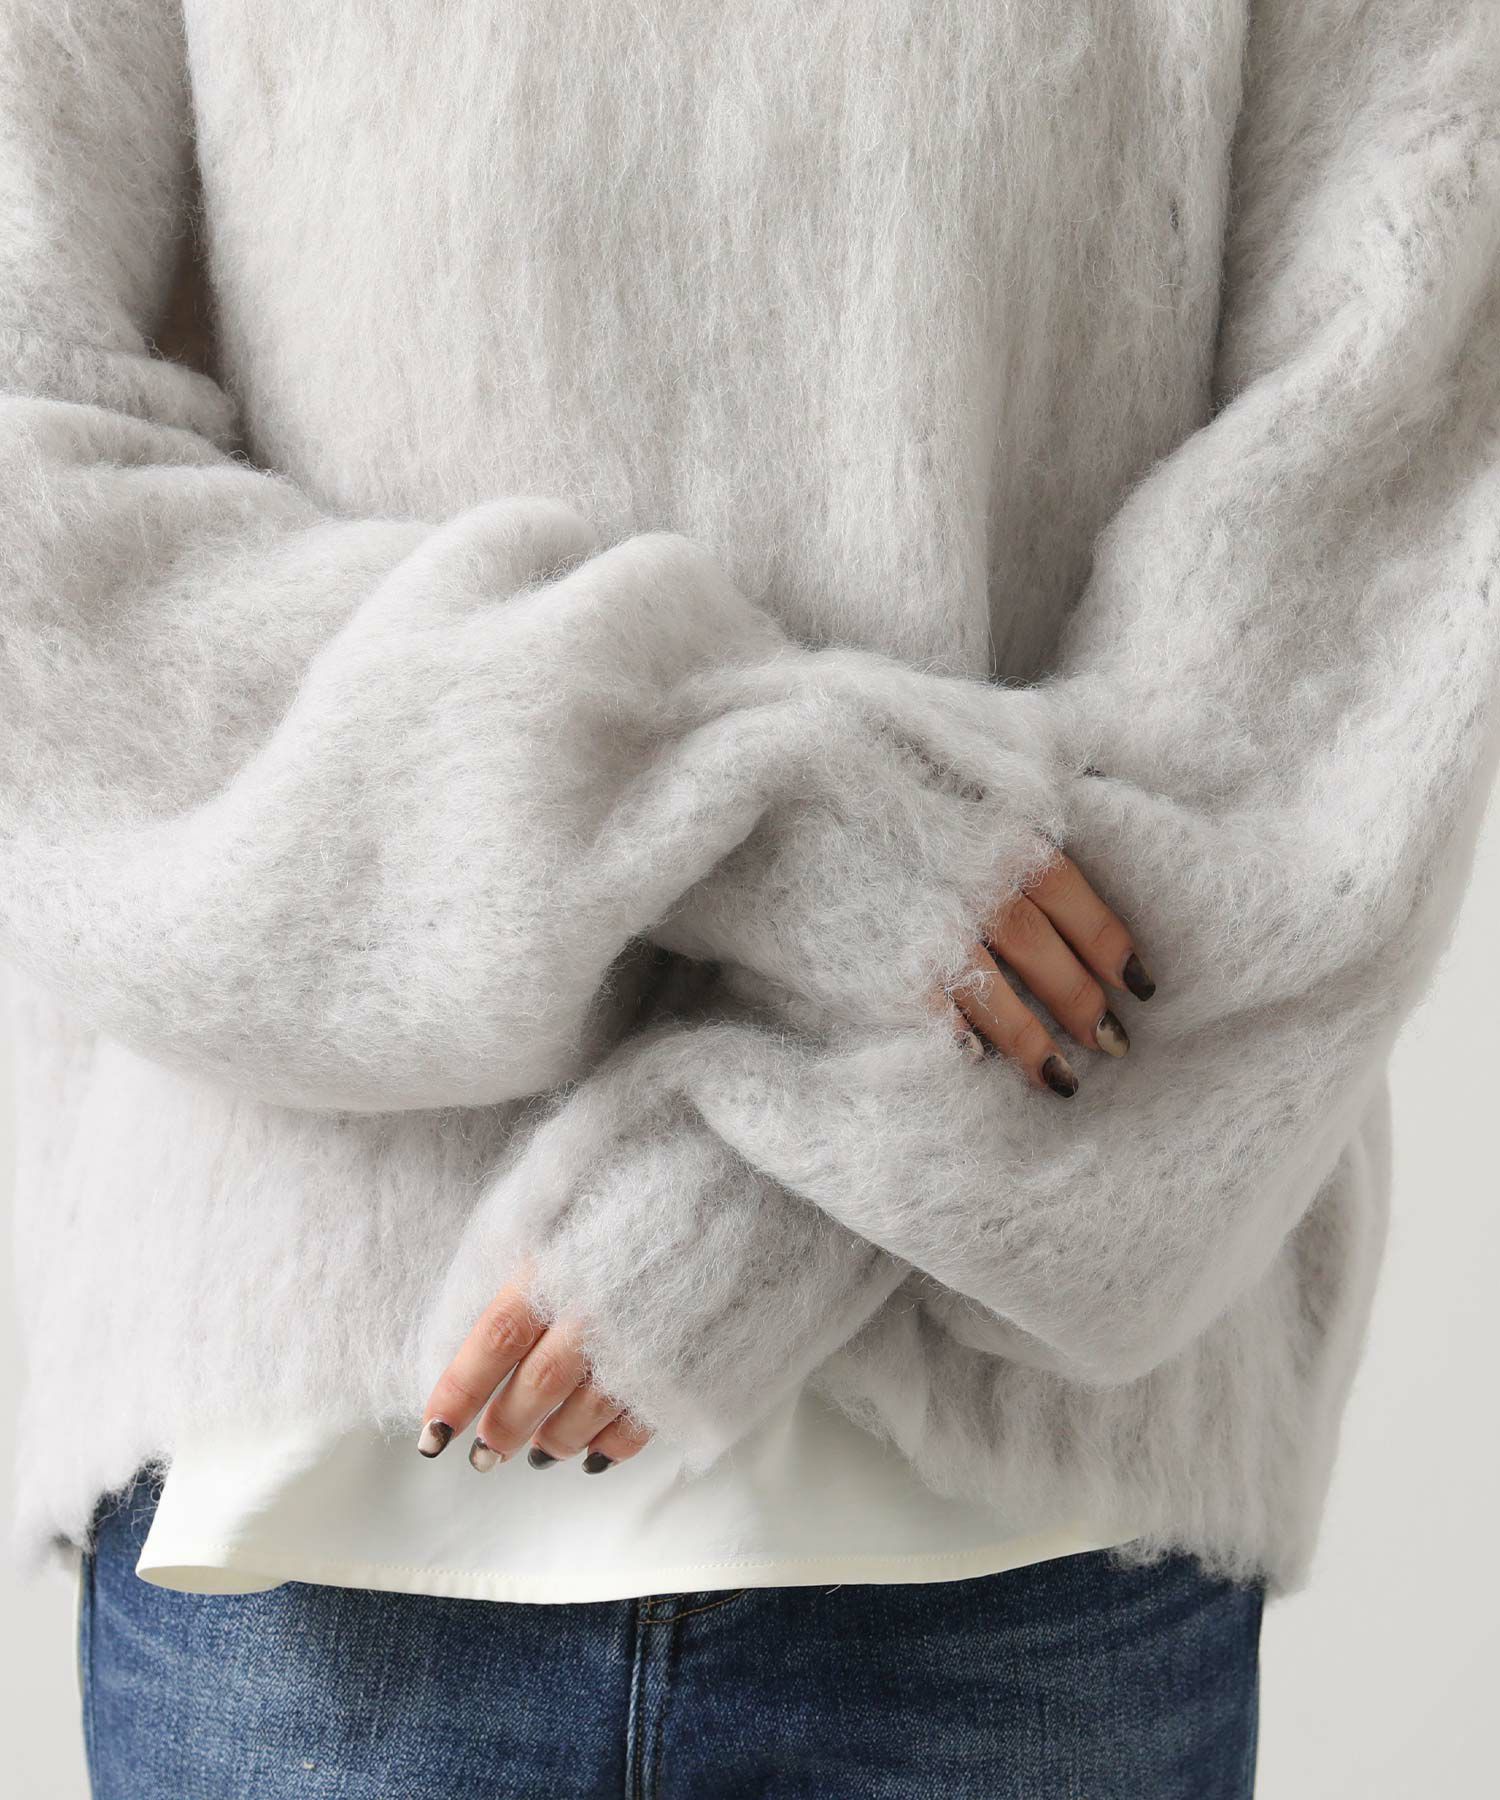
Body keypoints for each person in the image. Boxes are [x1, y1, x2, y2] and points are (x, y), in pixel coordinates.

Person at [5, 2, 1498, 1795]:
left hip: (1023, 1552)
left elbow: (1373, 553)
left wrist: (803, 1170)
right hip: (309, 1516)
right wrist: (761, 804)